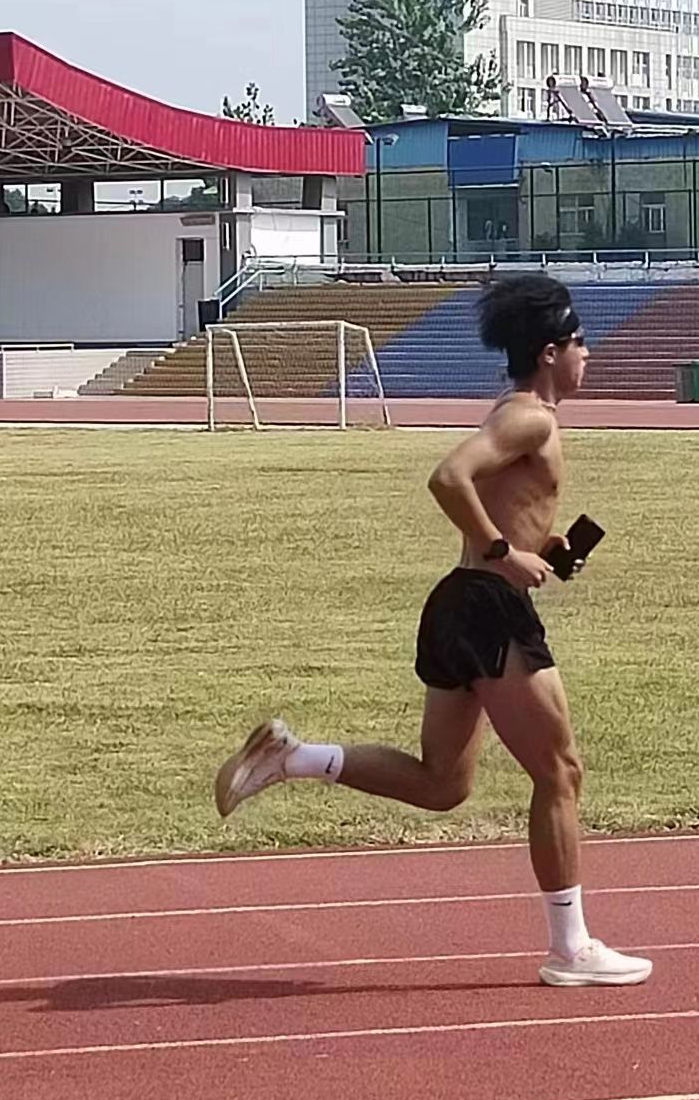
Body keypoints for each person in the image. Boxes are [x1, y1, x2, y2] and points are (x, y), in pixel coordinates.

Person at [213, 274, 652, 988]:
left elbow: (499, 505)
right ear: (549, 352)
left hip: (458, 604)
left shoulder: (521, 415)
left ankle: (293, 758)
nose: (587, 355)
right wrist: (503, 552)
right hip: (487, 606)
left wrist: (537, 550)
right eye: (580, 342)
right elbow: (449, 477)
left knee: (443, 783)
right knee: (561, 771)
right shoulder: (531, 419)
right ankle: (571, 950)